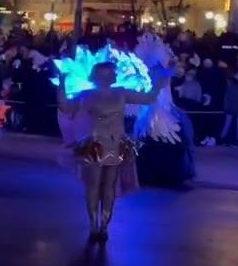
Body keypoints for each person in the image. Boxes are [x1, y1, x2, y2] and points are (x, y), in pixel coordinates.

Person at [57, 60, 168, 242]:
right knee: (102, 186)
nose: (112, 76)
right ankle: (98, 226)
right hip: (101, 145)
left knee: (103, 186)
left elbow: (148, 98)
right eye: (109, 73)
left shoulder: (105, 94)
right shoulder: (98, 94)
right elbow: (65, 106)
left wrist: (158, 85)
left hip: (108, 145)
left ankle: (100, 226)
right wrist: (61, 85)